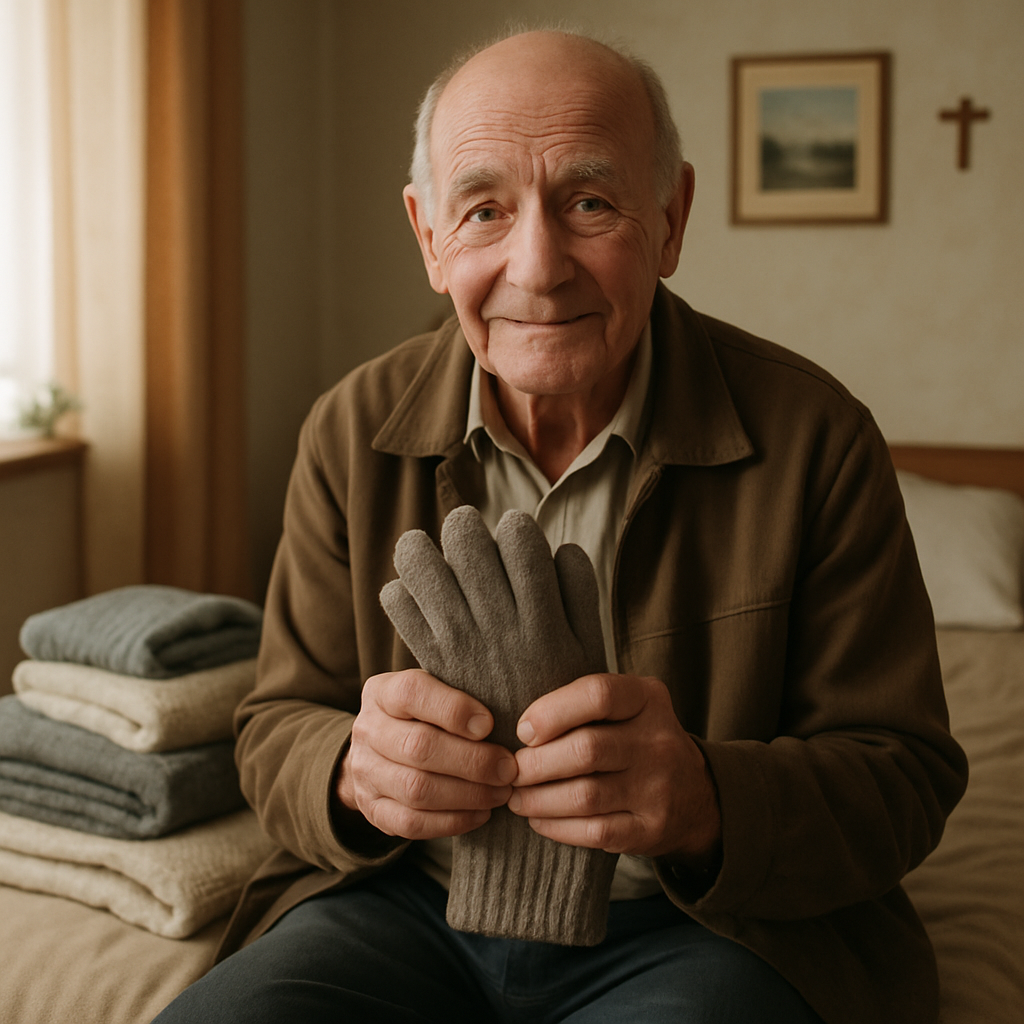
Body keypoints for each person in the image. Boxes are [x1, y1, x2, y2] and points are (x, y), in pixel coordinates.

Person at [154, 28, 967, 1024]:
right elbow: (274, 726)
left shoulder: (818, 437)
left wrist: (707, 794)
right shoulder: (348, 429)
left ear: (670, 220)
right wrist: (351, 770)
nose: (536, 266)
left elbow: (904, 776)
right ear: (428, 237)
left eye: (588, 202)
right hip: (401, 907)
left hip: (706, 928)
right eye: (483, 209)